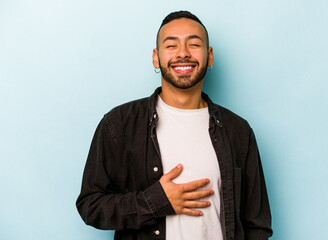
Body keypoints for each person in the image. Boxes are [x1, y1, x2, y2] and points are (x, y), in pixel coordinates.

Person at [76, 10, 273, 240]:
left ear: (209, 56)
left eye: (194, 44)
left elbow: (257, 225)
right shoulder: (118, 124)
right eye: (171, 45)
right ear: (155, 58)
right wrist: (155, 201)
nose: (183, 53)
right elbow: (90, 205)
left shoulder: (238, 131)